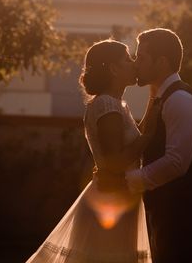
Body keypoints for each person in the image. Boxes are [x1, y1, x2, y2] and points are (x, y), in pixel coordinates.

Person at [25, 39, 160, 263]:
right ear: (114, 69)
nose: (134, 63)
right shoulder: (106, 105)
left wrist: (153, 97)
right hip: (110, 203)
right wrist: (148, 136)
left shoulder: (116, 105)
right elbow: (115, 161)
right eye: (127, 59)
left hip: (119, 198)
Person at [126, 28, 192, 263]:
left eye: (141, 58)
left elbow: (177, 163)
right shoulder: (160, 97)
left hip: (181, 211)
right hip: (166, 207)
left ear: (162, 62)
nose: (136, 63)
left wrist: (130, 180)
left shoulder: (180, 100)